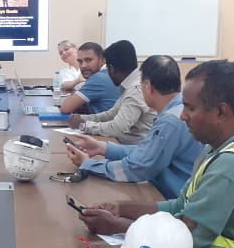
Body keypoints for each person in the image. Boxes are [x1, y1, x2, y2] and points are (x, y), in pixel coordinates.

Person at [80, 60, 234, 248]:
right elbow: (181, 206)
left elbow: (185, 236)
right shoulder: (221, 146)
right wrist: (121, 208)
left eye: (190, 108)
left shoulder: (229, 164)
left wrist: (116, 226)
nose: (182, 116)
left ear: (221, 111)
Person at [64, 55, 203, 198]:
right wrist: (103, 148)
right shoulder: (179, 108)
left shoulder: (170, 121)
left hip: (172, 199)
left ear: (148, 86)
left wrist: (88, 164)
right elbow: (149, 151)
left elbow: (136, 168)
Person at [67, 40, 154, 144]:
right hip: (123, 144)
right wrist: (83, 119)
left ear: (111, 68)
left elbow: (117, 128)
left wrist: (84, 126)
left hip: (134, 148)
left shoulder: (136, 90)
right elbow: (112, 114)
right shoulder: (131, 84)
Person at [58, 42, 119, 115]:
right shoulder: (107, 73)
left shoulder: (98, 78)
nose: (83, 65)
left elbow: (65, 109)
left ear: (102, 60)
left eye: (88, 60)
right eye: (80, 61)